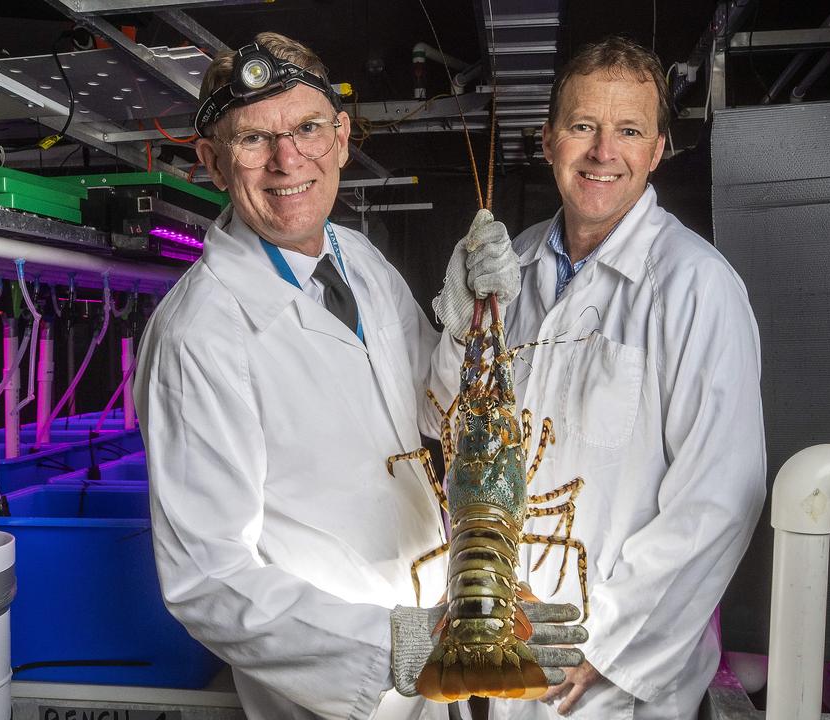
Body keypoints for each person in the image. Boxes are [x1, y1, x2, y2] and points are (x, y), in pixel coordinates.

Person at [133, 32, 580, 720]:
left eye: (308, 128)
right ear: (212, 163)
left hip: (443, 642)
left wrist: (460, 327)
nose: (287, 160)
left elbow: (430, 417)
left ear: (340, 138)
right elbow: (207, 578)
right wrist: (398, 645)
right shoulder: (199, 333)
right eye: (253, 140)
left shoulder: (358, 257)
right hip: (345, 692)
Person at [477, 36, 768, 720]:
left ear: (657, 148)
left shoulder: (697, 287)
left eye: (628, 131)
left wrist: (600, 641)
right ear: (548, 141)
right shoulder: (510, 268)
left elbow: (720, 496)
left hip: (616, 677)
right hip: (507, 642)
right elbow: (458, 426)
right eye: (583, 127)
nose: (604, 152)